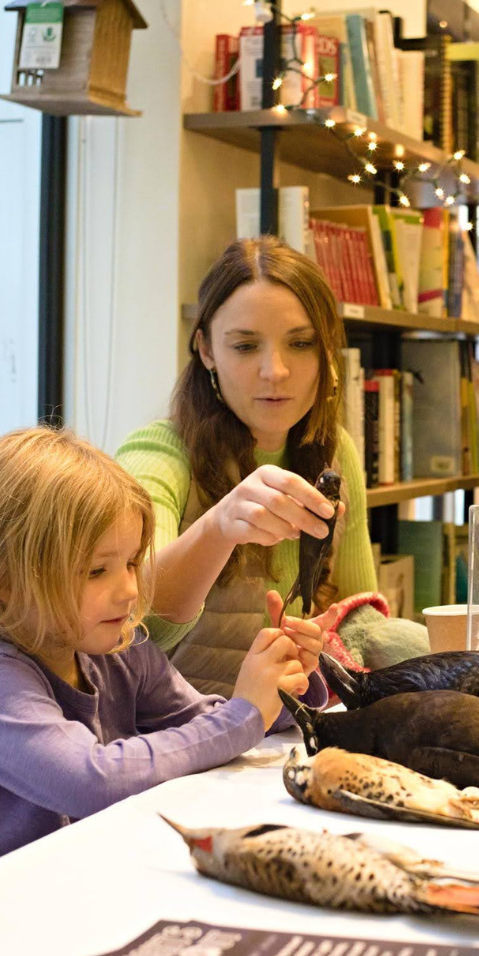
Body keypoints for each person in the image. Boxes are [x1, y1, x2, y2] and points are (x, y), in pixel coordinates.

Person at [0, 426, 328, 905]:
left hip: (56, 902)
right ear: (2, 581)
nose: (129, 590)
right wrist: (246, 713)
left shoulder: (118, 648)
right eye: (97, 570)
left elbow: (207, 723)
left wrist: (282, 686)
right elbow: (91, 779)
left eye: (132, 562)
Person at [117, 237, 376, 698]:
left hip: (282, 735)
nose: (274, 370)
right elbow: (133, 616)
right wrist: (220, 526)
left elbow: (358, 615)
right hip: (170, 741)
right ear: (206, 350)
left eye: (300, 343)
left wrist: (319, 645)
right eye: (245, 346)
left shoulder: (338, 452)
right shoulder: (158, 452)